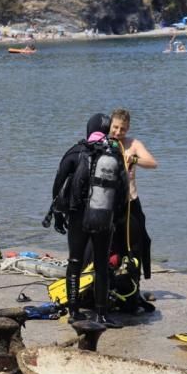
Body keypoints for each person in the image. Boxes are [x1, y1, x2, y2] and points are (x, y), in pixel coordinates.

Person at [50, 112, 129, 327]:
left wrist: (58, 213)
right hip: (103, 216)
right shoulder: (113, 156)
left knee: (75, 262)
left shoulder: (76, 152)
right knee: (102, 265)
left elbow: (58, 184)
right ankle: (101, 314)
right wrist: (117, 218)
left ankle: (74, 312)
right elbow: (123, 192)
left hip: (77, 216)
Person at [108, 108, 158, 287]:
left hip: (131, 203)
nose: (118, 132)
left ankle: (134, 288)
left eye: (122, 129)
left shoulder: (133, 144)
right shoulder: (103, 142)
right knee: (112, 247)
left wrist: (134, 159)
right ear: (110, 125)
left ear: (128, 128)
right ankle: (110, 285)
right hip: (109, 204)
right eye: (115, 127)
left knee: (137, 245)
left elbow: (153, 163)